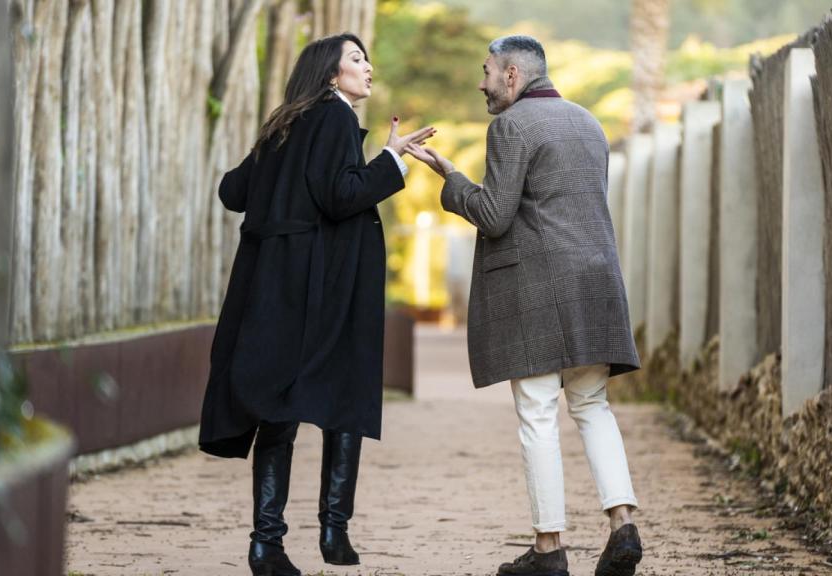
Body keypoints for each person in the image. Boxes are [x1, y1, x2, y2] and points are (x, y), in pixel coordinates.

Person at [197, 33, 434, 576]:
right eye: (356, 59)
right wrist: (392, 160)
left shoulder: (286, 122)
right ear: (331, 74)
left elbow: (234, 192)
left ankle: (268, 543)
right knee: (341, 388)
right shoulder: (333, 118)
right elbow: (340, 194)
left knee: (281, 406)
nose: (368, 66)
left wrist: (275, 164)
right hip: (320, 284)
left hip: (271, 284)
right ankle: (333, 530)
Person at [408, 35, 644, 576]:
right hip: (597, 284)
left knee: (538, 414)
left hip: (539, 291)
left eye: (487, 71)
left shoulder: (511, 126)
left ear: (513, 76)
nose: (481, 82)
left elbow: (494, 215)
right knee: (592, 407)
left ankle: (548, 548)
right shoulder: (589, 122)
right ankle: (623, 525)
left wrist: (451, 178)